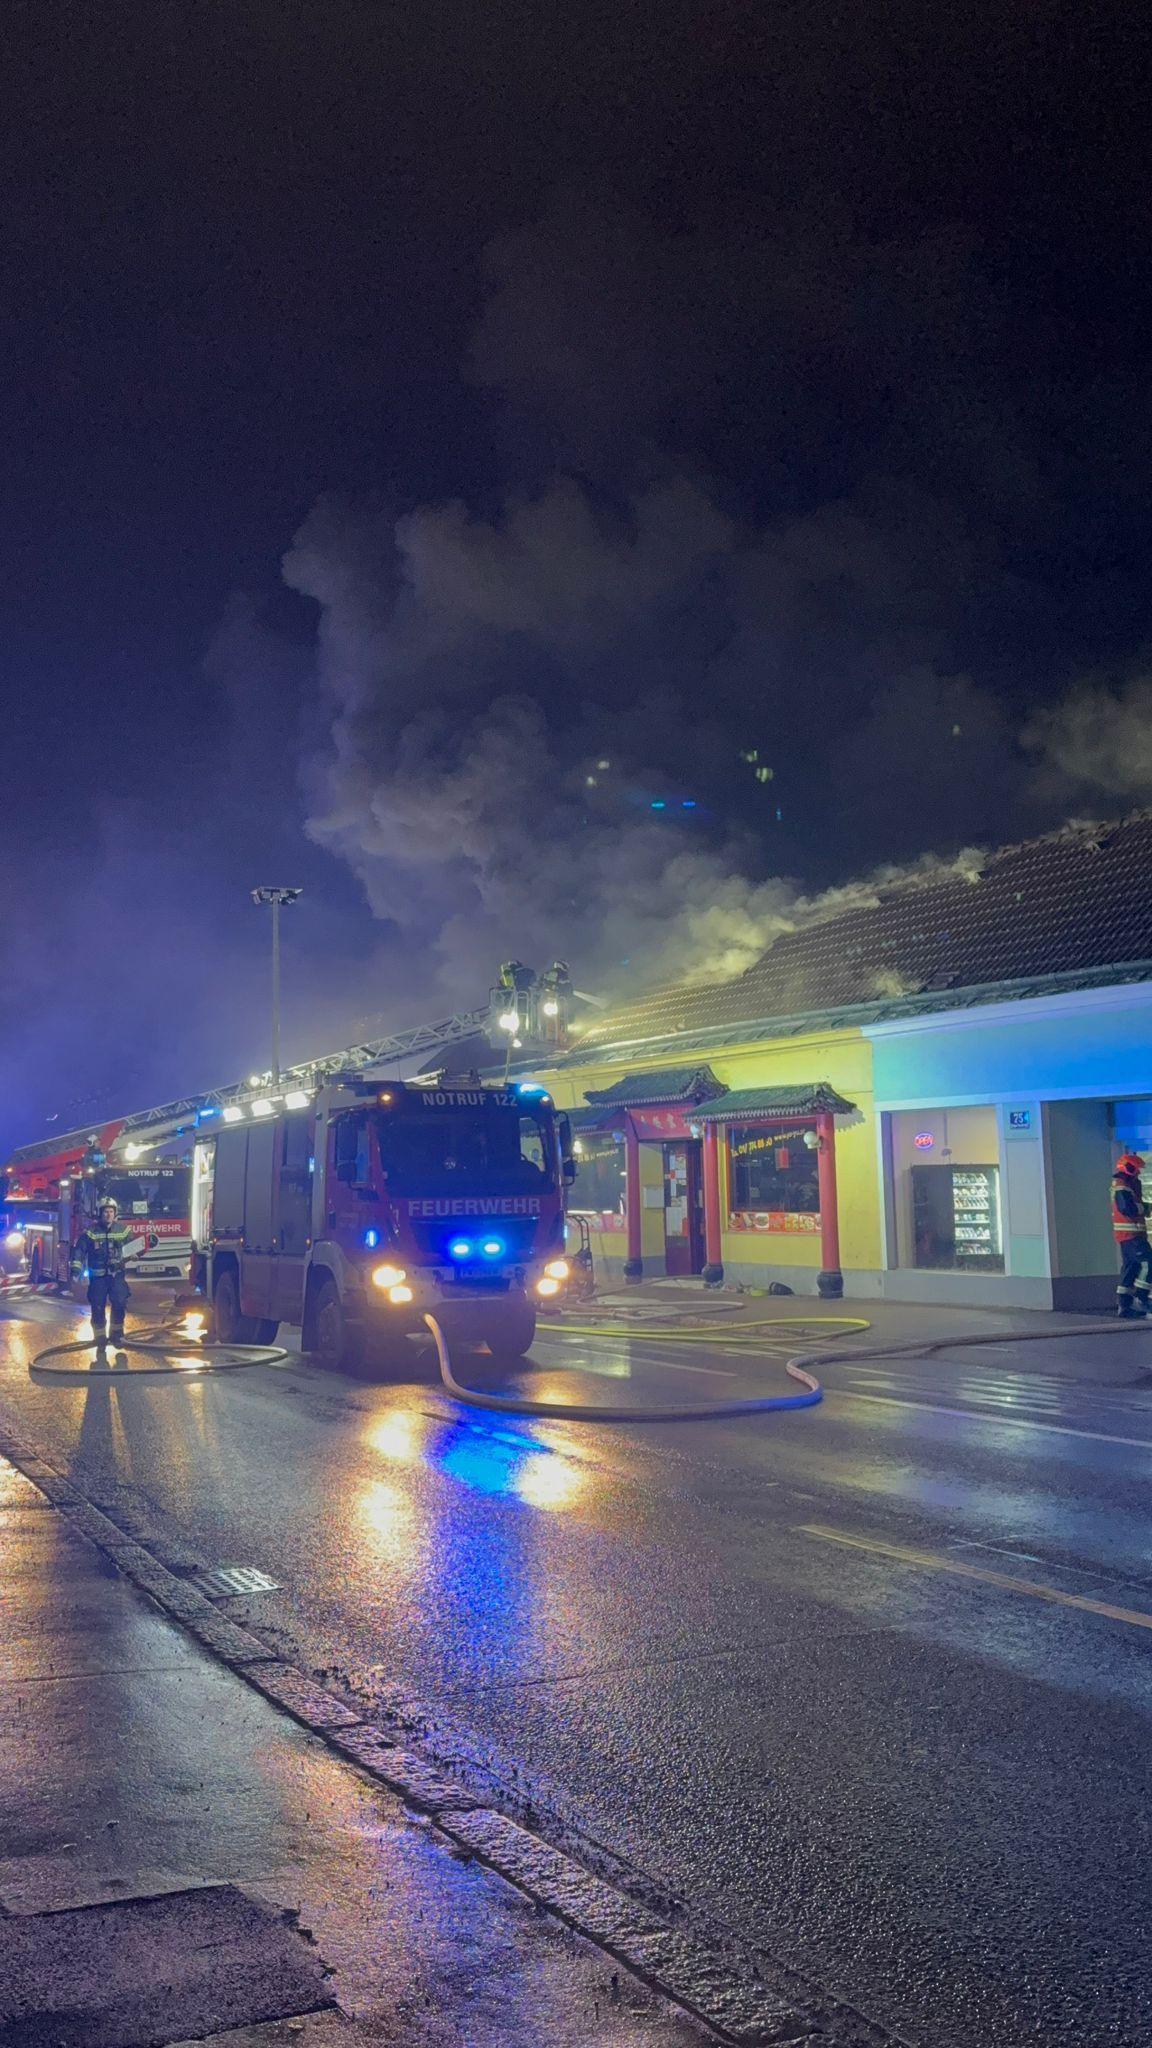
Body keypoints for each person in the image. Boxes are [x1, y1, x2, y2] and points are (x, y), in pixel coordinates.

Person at [71, 1197, 134, 1347]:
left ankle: (116, 1334)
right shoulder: (91, 1233)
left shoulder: (123, 1231)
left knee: (119, 1302)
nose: (108, 1214)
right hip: (98, 1278)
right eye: (106, 1212)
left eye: (111, 1211)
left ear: (115, 1213)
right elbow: (79, 1251)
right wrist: (76, 1270)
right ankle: (99, 1337)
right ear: (100, 1213)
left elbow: (133, 1247)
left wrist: (135, 1254)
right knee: (98, 1305)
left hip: (117, 1275)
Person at [1112, 1153, 1150, 1318]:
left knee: (1130, 1268)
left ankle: (1125, 1305)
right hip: (1131, 1235)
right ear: (1127, 1167)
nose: (1138, 1172)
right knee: (1148, 1263)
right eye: (1136, 1169)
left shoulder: (1125, 1185)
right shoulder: (1122, 1187)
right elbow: (1128, 1209)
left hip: (1129, 1235)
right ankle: (1141, 1298)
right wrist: (1145, 1208)